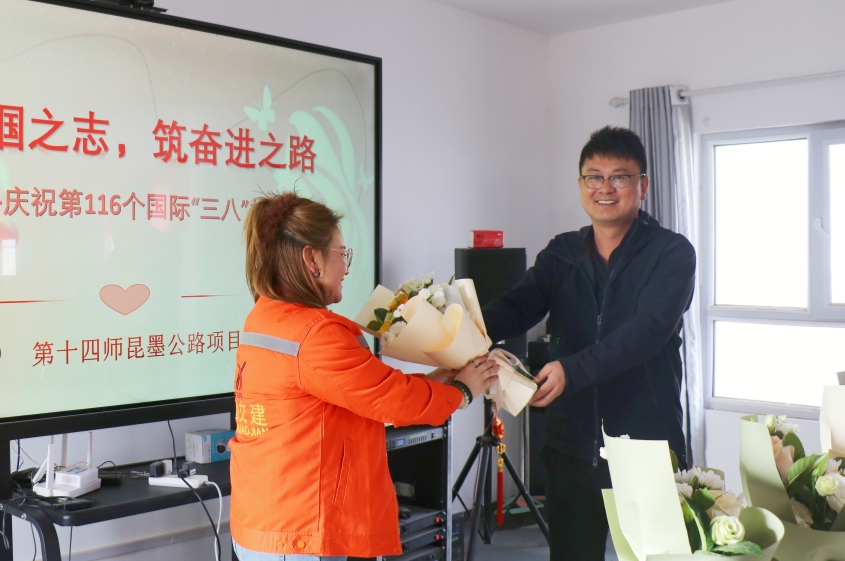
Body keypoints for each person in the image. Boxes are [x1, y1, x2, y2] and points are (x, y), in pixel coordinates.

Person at [229, 192, 500, 561]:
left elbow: (367, 390)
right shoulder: (317, 333)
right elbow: (391, 399)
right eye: (342, 254)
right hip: (302, 530)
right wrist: (463, 391)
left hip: (269, 520)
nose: (346, 268)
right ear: (312, 259)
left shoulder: (265, 315)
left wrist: (444, 378)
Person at [482, 126, 696, 561]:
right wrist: (459, 330)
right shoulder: (561, 253)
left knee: (658, 555)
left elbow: (646, 332)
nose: (605, 188)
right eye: (594, 177)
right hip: (571, 446)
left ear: (643, 186)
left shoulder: (671, 253)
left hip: (645, 443)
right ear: (581, 184)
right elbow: (518, 306)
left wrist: (572, 369)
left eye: (619, 177)